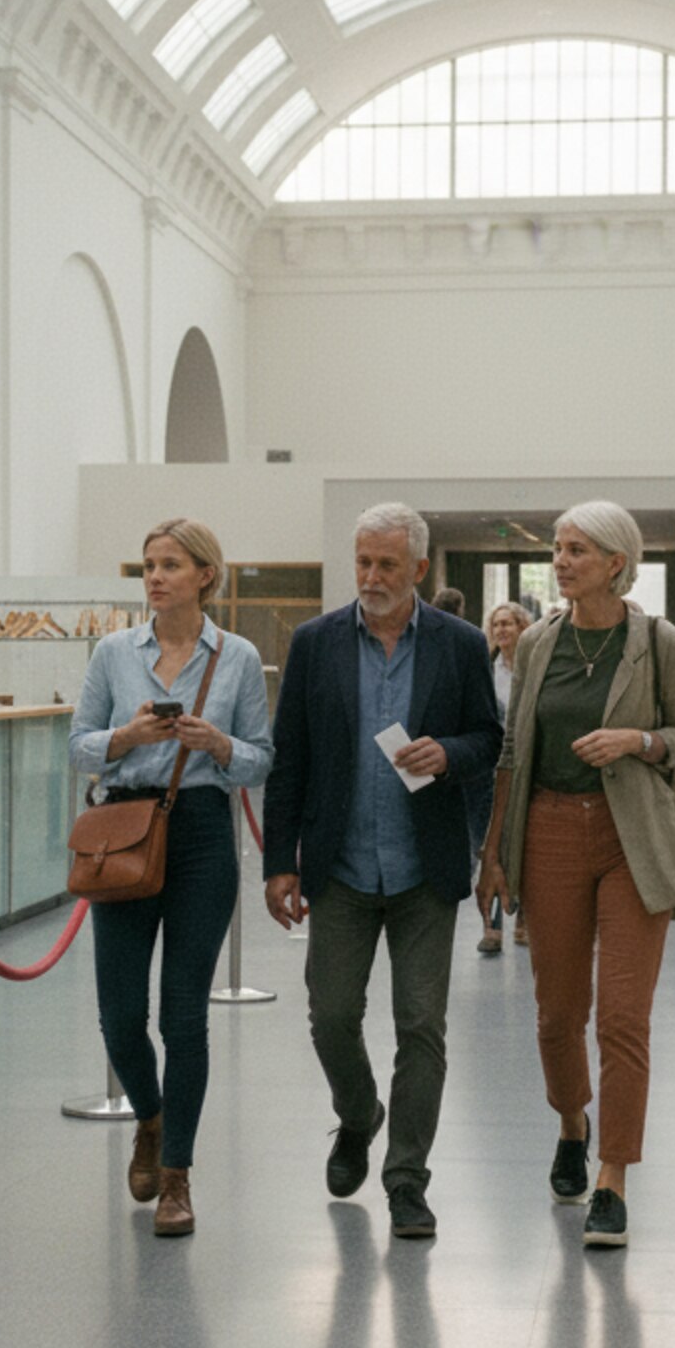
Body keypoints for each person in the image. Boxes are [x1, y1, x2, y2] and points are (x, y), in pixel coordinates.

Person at [262, 502, 501, 1240]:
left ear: (420, 570)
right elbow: (290, 758)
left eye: (386, 564)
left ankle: (406, 1180)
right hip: (340, 866)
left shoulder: (461, 646)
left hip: (425, 869)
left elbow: (489, 739)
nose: (370, 577)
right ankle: (359, 1113)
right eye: (363, 562)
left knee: (421, 1026)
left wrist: (449, 755)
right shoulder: (316, 643)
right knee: (331, 1016)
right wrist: (279, 863)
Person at [477, 503, 675, 1251]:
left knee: (623, 1018)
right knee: (555, 1012)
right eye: (557, 548)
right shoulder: (540, 641)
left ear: (616, 563)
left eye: (577, 550)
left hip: (630, 834)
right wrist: (494, 851)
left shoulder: (658, 641)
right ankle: (573, 1121)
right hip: (546, 829)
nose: (562, 561)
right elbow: (514, 748)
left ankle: (614, 1175)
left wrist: (637, 739)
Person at [69, 519, 273, 1236]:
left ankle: (178, 1175)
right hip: (122, 833)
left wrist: (219, 745)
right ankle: (150, 1120)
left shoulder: (238, 658)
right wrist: (125, 737)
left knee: (183, 1015)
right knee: (120, 1016)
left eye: (171, 565)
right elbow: (79, 747)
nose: (155, 578)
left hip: (200, 838)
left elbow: (261, 758)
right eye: (149, 566)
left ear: (205, 577)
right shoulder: (113, 653)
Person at [473, 602, 531, 952]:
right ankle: (491, 925)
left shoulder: (532, 668)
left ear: (522, 627)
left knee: (522, 842)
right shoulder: (485, 669)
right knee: (488, 844)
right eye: (496, 624)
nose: (502, 630)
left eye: (508, 624)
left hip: (524, 769)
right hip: (490, 770)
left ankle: (522, 914)